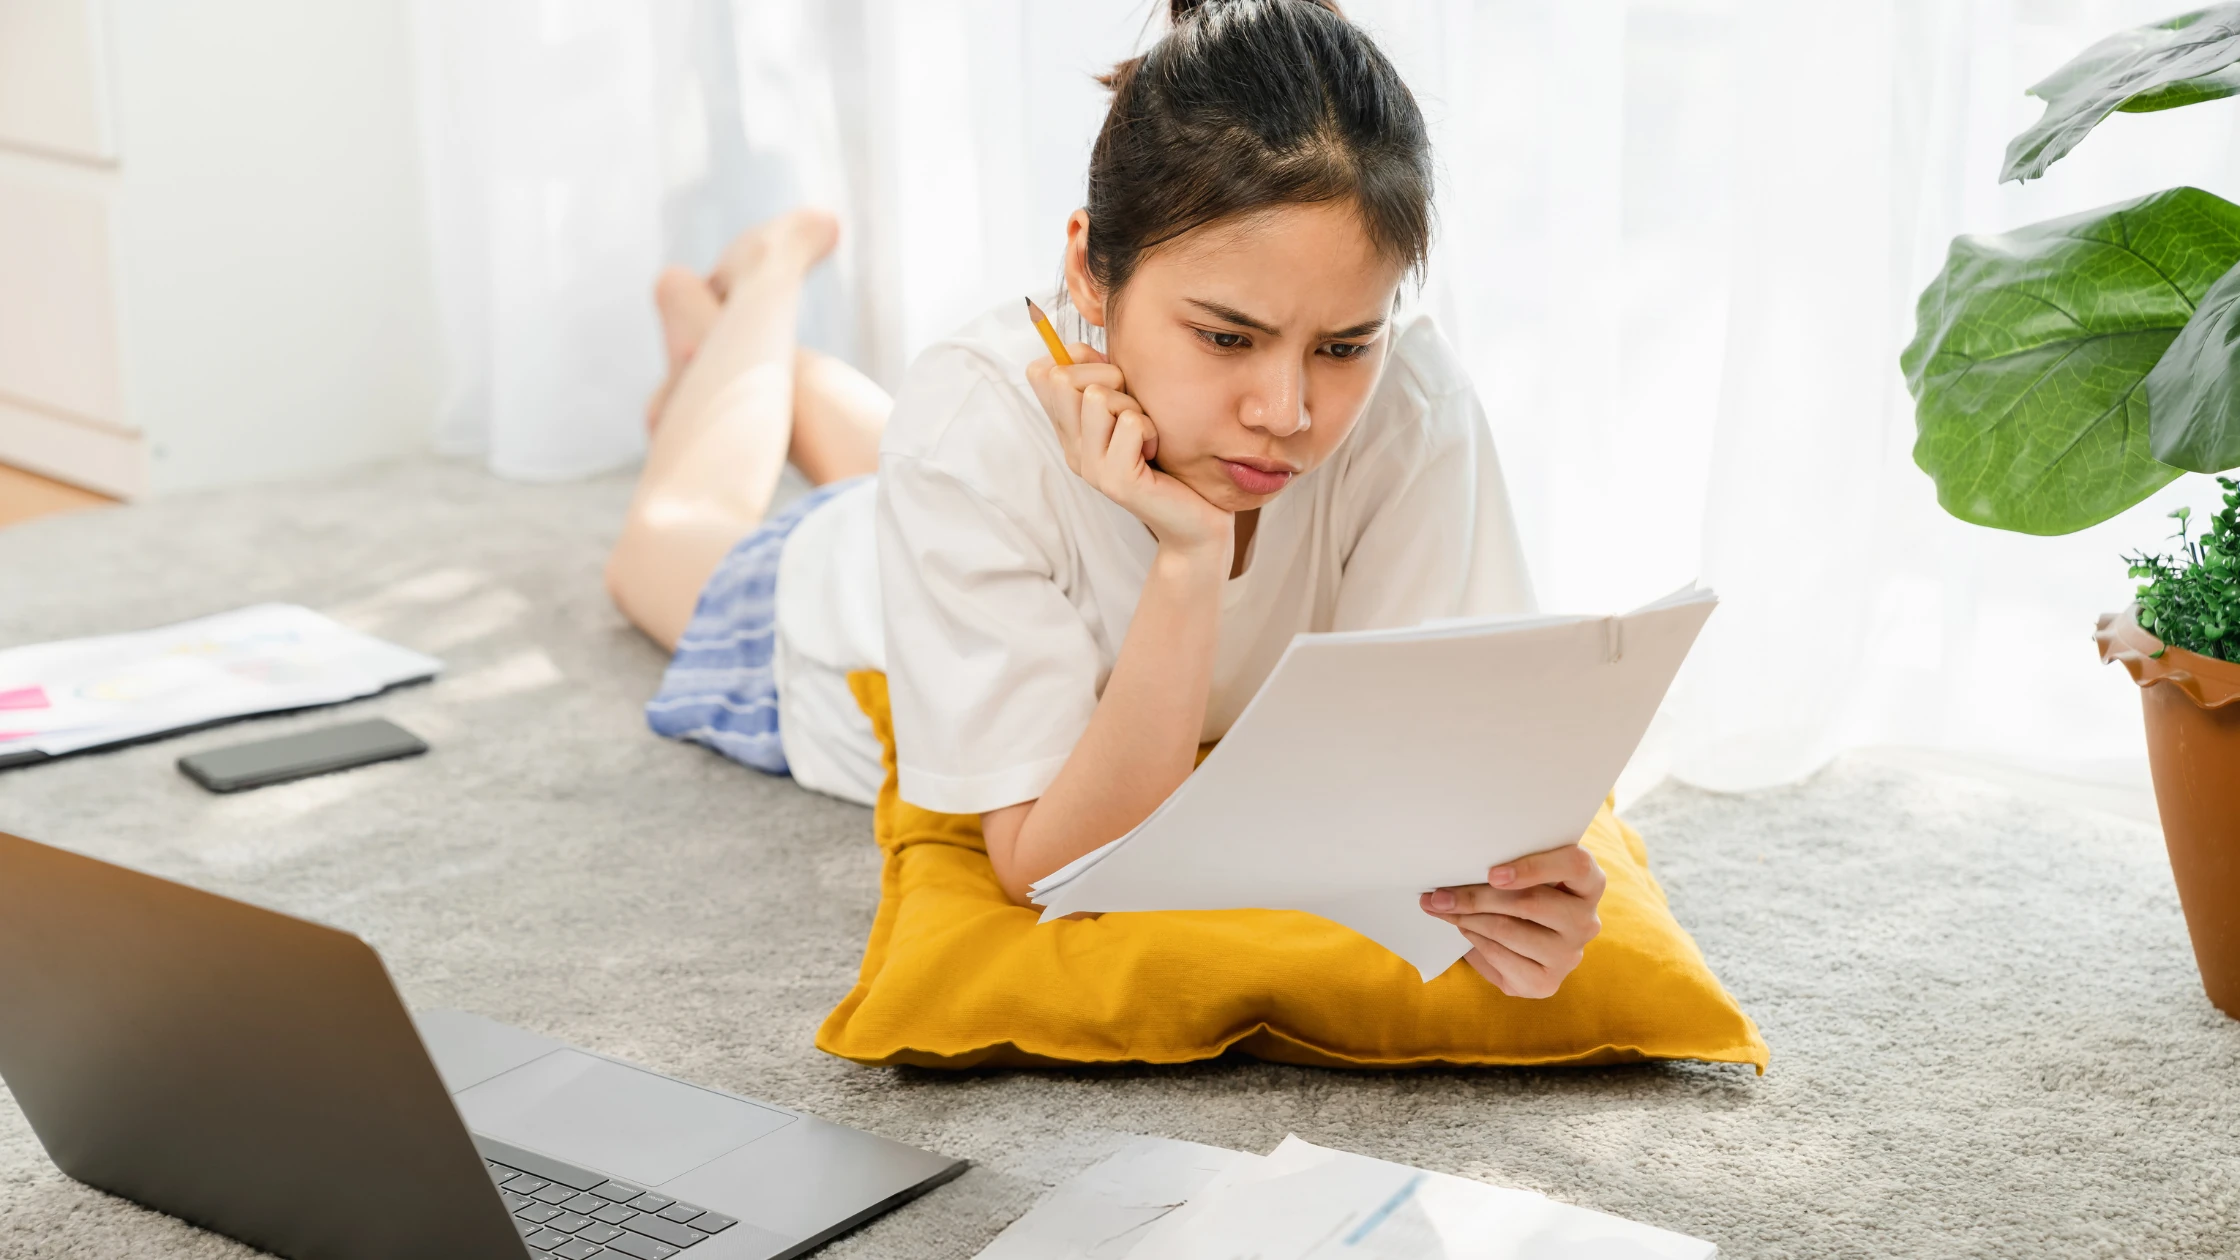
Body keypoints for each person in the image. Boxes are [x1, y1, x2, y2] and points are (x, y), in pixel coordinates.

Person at [606, 0, 1607, 1000]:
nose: (1285, 412)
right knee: (665, 541)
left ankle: (763, 363)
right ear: (1088, 269)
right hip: (839, 601)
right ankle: (762, 283)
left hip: (964, 509)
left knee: (904, 459)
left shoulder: (1412, 406)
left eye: (1343, 346)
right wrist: (1188, 559)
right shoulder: (968, 424)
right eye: (1224, 338)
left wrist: (1519, 893)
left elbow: (1436, 757)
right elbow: (1054, 865)